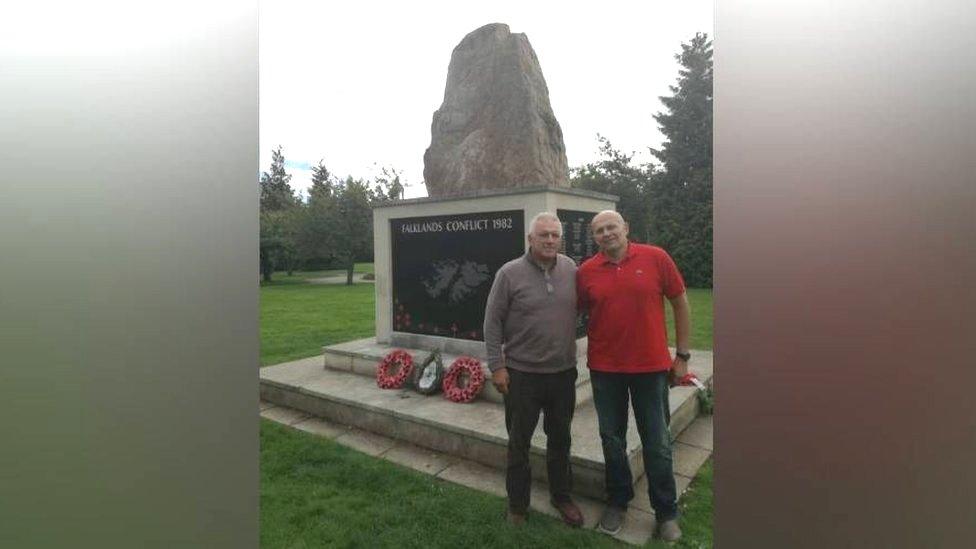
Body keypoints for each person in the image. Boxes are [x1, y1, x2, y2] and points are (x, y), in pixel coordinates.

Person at [577, 210, 691, 542]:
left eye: (611, 227)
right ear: (594, 237)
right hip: (605, 370)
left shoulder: (656, 258)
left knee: (657, 442)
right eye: (599, 230)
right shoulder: (586, 272)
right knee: (612, 440)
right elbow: (579, 310)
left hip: (650, 368)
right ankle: (618, 499)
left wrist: (681, 356)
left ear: (626, 228)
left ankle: (666, 511)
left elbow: (681, 303)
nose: (606, 233)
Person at [483, 212, 584, 527]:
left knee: (560, 439)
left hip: (563, 373)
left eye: (555, 235)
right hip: (522, 375)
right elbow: (492, 322)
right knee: (519, 443)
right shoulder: (509, 273)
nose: (550, 240)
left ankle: (562, 496)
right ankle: (517, 505)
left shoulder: (571, 270)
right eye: (544, 235)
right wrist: (497, 366)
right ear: (530, 239)